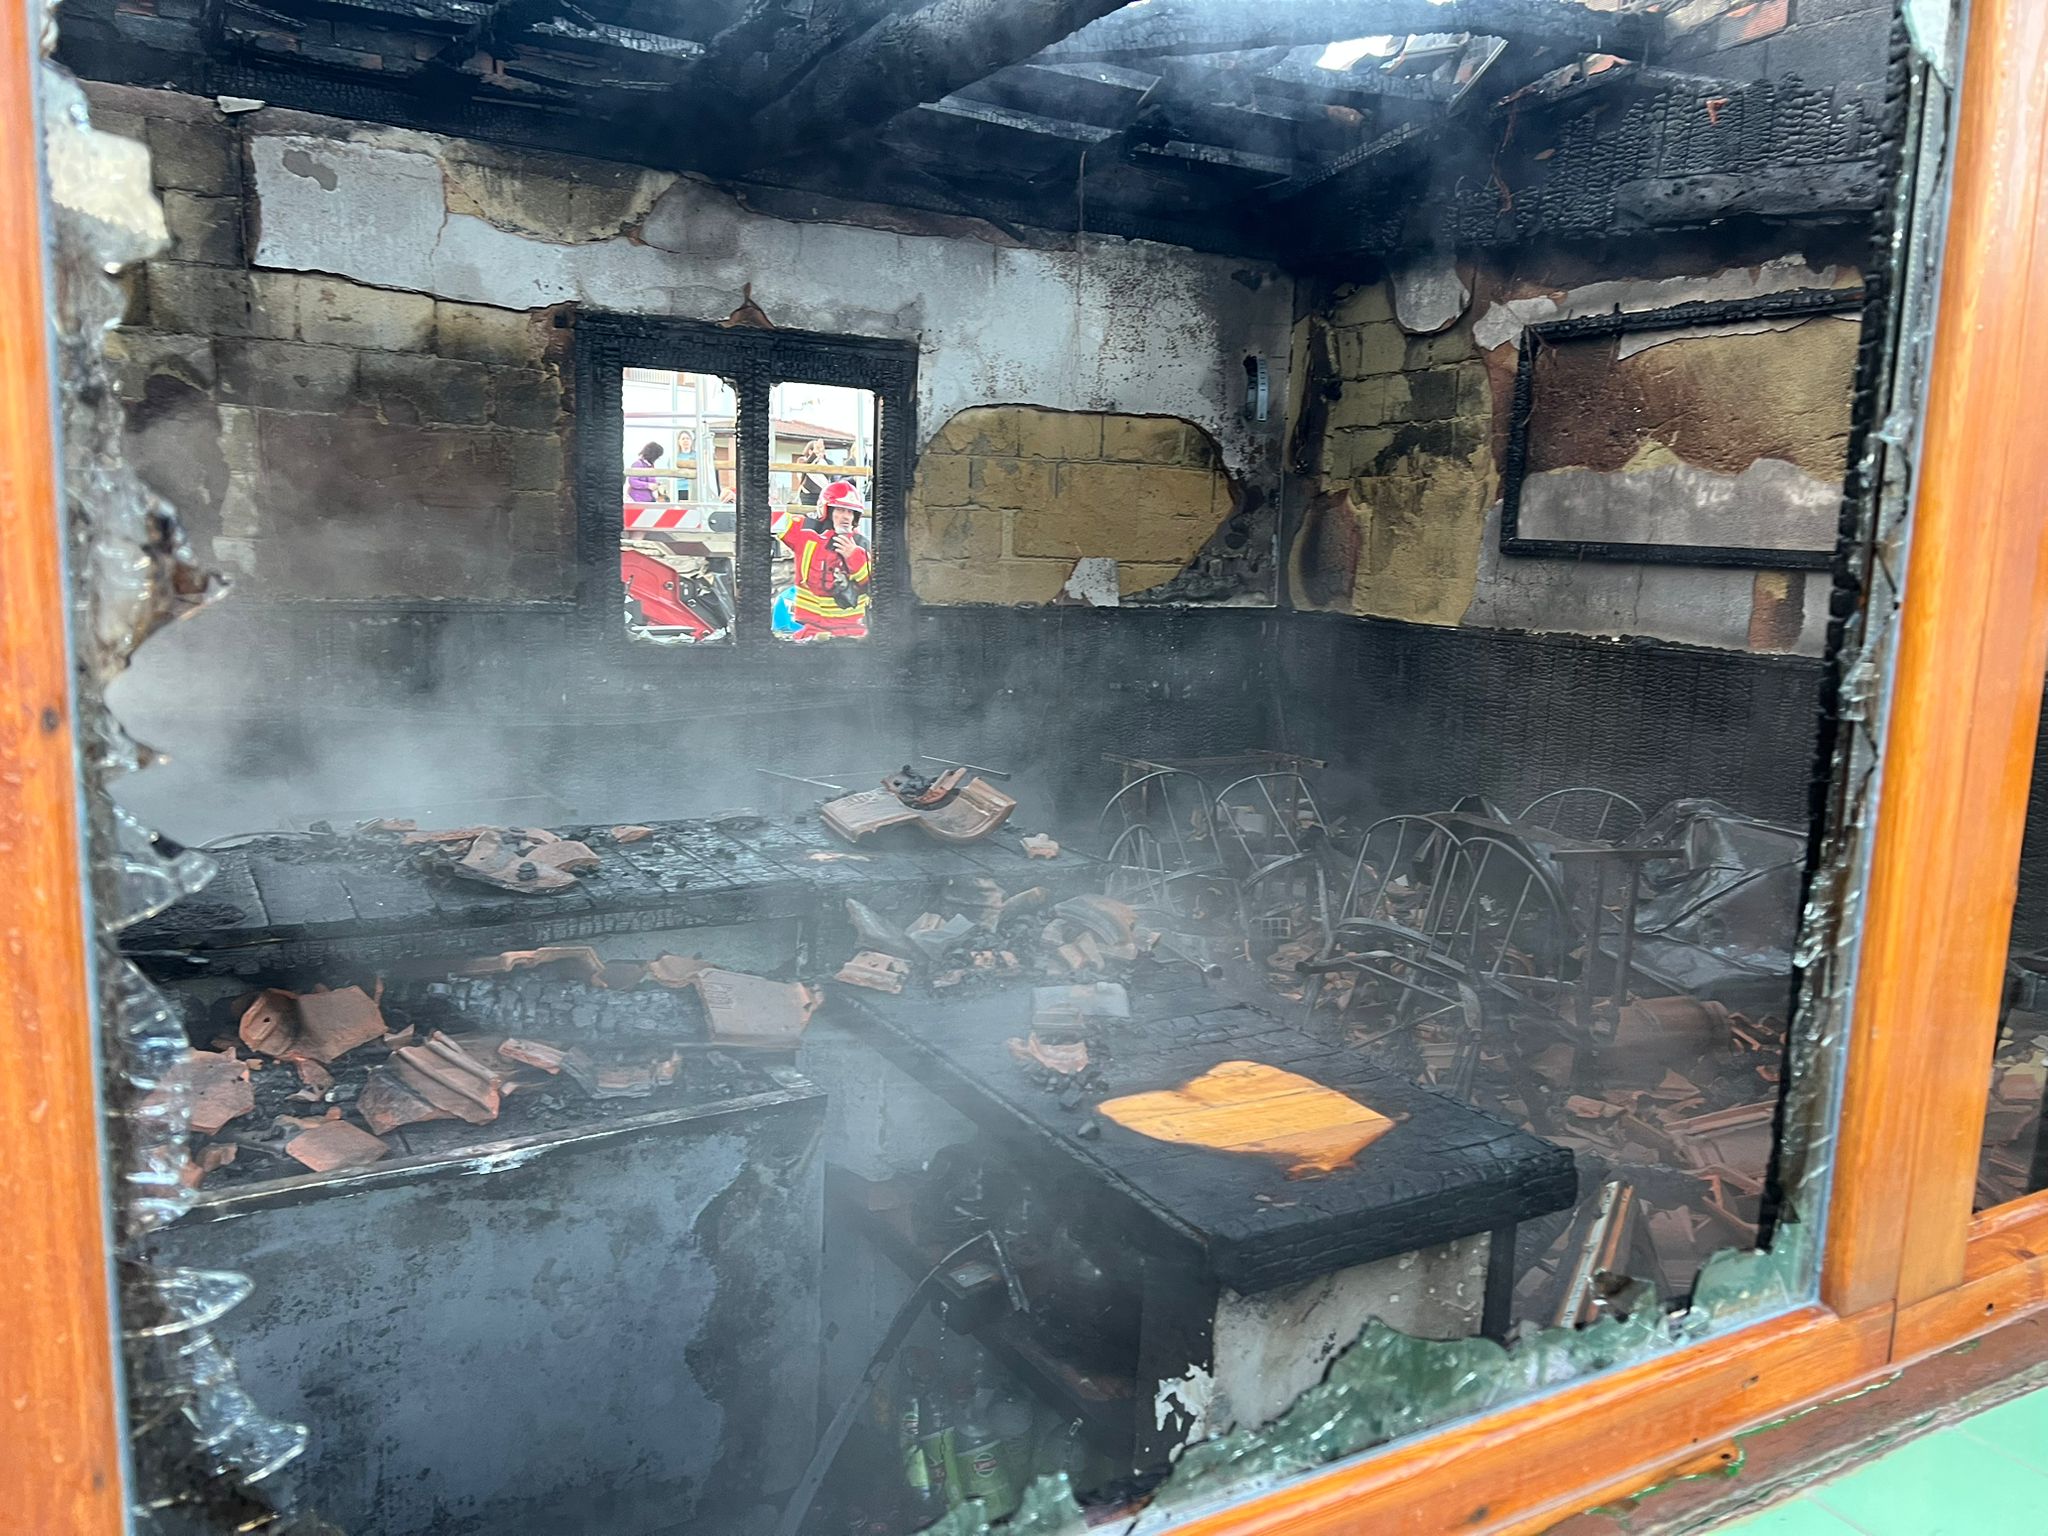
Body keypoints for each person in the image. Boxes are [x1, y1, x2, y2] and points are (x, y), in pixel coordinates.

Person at [776, 478, 871, 640]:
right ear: (827, 510)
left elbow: (874, 585)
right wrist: (734, 497)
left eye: (850, 511)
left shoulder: (862, 544)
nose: (846, 517)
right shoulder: (805, 533)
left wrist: (854, 556)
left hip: (854, 633)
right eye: (840, 510)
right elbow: (771, 518)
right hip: (812, 631)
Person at [793, 438, 832, 510]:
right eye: (817, 450)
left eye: (823, 451)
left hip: (822, 495)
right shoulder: (802, 461)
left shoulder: (824, 461)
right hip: (808, 495)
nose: (821, 453)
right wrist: (815, 455)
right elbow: (806, 469)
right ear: (810, 451)